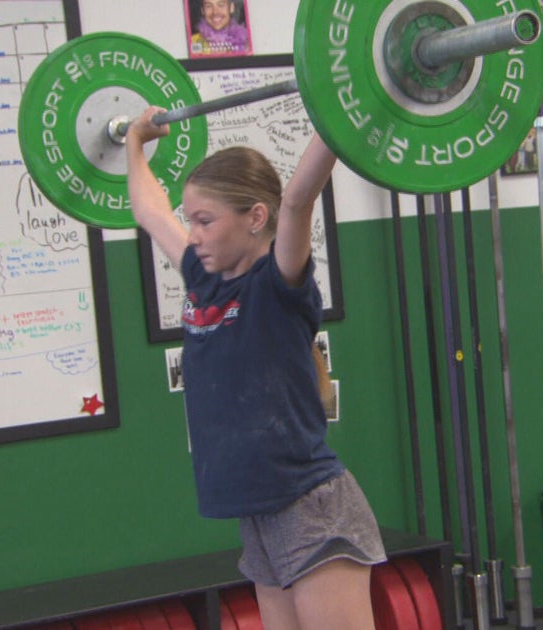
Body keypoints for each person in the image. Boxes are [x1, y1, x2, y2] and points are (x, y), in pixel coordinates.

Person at [125, 107, 385, 630]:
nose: (192, 233)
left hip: (311, 509)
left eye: (205, 220)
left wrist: (344, 105)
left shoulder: (277, 286)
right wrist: (134, 143)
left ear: (256, 218)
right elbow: (151, 212)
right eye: (190, 219)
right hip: (260, 515)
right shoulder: (204, 281)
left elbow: (297, 198)